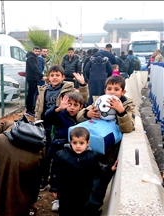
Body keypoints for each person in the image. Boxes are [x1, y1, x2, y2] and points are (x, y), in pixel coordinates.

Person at [76, 76, 135, 214]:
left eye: (116, 89)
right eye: (109, 89)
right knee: (86, 182)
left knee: (99, 185)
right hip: (91, 151)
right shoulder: (99, 101)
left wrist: (121, 111)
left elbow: (128, 128)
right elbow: (79, 117)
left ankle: (92, 210)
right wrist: (87, 113)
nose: (112, 92)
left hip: (108, 155)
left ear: (123, 92)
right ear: (104, 90)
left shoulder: (127, 105)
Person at [34, 65, 89, 191]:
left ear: (63, 77)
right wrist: (37, 119)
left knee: (56, 154)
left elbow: (82, 99)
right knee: (45, 154)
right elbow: (39, 107)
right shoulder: (44, 89)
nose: (54, 78)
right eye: (52, 75)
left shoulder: (68, 89)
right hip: (45, 123)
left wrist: (83, 85)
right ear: (48, 77)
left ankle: (57, 181)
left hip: (59, 123)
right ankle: (44, 178)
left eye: (57, 75)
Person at [49, 127, 118, 216]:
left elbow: (98, 169)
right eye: (75, 143)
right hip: (66, 191)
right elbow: (55, 173)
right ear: (70, 142)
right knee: (65, 210)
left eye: (81, 143)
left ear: (88, 142)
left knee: (80, 210)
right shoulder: (61, 155)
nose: (78, 146)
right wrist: (55, 188)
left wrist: (110, 169)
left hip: (84, 192)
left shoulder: (92, 156)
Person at [0, 118, 45, 216]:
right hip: (30, 160)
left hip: (0, 146)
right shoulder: (40, 134)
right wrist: (33, 200)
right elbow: (38, 176)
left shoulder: (10, 123)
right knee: (24, 187)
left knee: (2, 176)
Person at [25, 46, 42, 115]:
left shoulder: (34, 58)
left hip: (34, 78)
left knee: (32, 94)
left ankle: (30, 109)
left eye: (38, 51)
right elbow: (34, 68)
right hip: (32, 79)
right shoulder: (31, 58)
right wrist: (41, 76)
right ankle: (29, 110)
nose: (37, 52)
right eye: (36, 51)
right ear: (33, 51)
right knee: (31, 95)